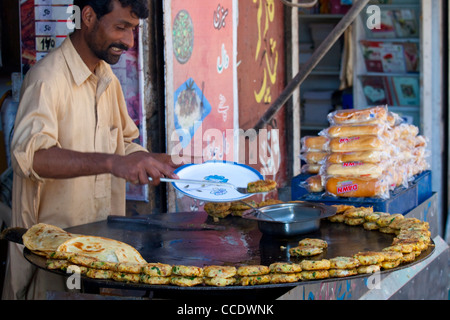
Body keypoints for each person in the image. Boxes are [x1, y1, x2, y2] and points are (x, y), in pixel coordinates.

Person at [2, 0, 180, 299]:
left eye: (133, 30)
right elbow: (31, 157)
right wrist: (112, 163)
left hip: (99, 253)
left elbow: (122, 143)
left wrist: (153, 160)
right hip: (52, 258)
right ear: (88, 17)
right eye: (120, 27)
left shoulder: (107, 79)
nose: (128, 41)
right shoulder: (47, 79)